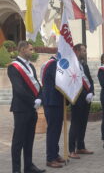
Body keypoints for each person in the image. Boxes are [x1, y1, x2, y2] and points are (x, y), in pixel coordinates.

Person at [8, 41, 45, 173]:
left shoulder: (31, 67)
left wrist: (40, 97)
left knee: (29, 139)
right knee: (18, 140)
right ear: (23, 50)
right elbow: (19, 89)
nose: (32, 51)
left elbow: (37, 85)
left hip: (32, 108)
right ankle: (16, 169)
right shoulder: (13, 67)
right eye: (30, 49)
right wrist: (33, 101)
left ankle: (28, 166)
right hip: (21, 109)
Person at [68, 44, 94, 159]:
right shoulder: (72, 66)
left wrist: (91, 92)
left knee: (83, 124)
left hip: (87, 99)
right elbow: (74, 84)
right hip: (77, 99)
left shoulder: (84, 65)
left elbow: (90, 80)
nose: (85, 52)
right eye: (83, 50)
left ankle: (80, 146)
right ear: (77, 51)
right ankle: (71, 149)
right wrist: (85, 94)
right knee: (75, 124)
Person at [42, 55, 65, 168]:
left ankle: (55, 154)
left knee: (57, 130)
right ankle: (50, 158)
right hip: (52, 102)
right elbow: (59, 81)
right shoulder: (52, 64)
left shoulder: (56, 64)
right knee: (52, 130)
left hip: (57, 102)